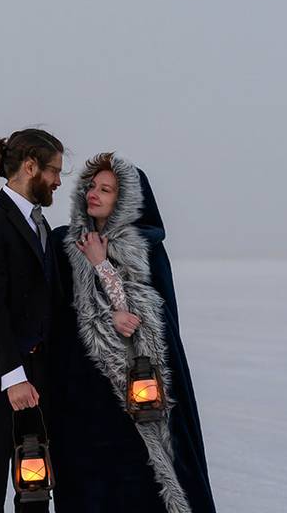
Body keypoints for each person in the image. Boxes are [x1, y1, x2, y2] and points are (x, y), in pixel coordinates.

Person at [49, 152, 216, 512]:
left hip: (138, 388)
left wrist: (101, 264)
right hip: (82, 388)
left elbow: (149, 319)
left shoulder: (145, 247)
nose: (94, 193)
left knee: (145, 477)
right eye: (91, 186)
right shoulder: (64, 243)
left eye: (106, 190)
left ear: (125, 200)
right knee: (88, 476)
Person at [0, 128, 65, 513]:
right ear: (30, 166)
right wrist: (13, 376)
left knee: (34, 483)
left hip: (35, 374)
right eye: (54, 171)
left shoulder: (42, 227)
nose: (56, 181)